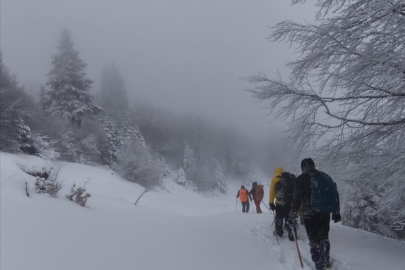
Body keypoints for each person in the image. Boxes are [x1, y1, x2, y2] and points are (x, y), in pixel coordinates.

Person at [289, 158, 341, 270]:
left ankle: (319, 264)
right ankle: (325, 259)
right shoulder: (325, 176)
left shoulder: (301, 179)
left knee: (314, 241)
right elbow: (335, 194)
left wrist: (292, 214)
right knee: (324, 237)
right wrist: (336, 211)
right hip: (324, 212)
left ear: (303, 167)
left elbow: (296, 199)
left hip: (309, 214)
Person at [269, 167, 296, 241]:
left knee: (279, 219)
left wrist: (271, 202)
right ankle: (292, 234)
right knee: (290, 218)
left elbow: (272, 192)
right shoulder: (290, 178)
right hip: (290, 203)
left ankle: (279, 233)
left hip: (279, 203)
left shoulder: (275, 179)